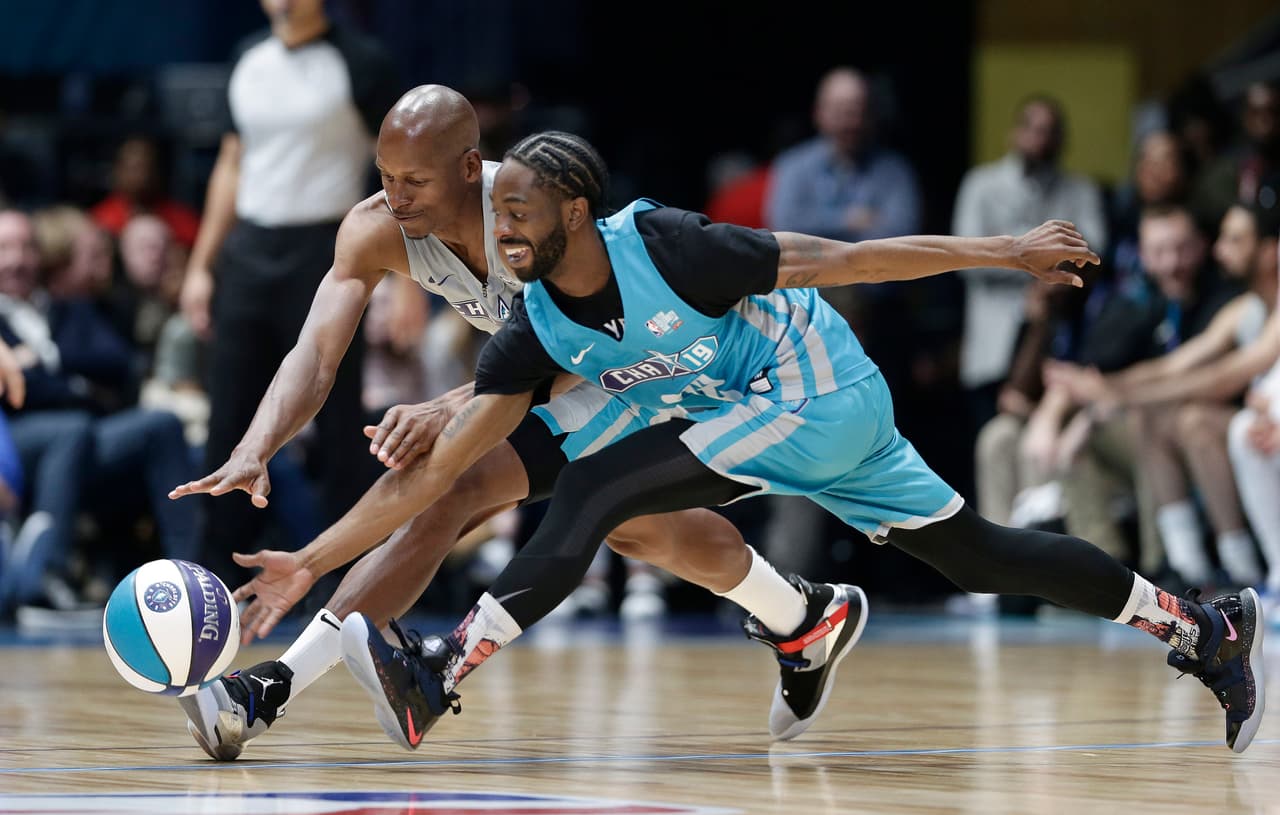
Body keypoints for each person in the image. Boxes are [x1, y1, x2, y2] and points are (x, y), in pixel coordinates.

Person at [248, 131, 1253, 754]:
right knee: (982, 556)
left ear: (574, 213)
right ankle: (1201, 627)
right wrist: (310, 557)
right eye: (495, 215)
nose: (501, 233)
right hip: (743, 404)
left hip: (814, 387)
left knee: (594, 487)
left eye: (519, 213)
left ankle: (437, 674)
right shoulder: (534, 325)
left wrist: (1005, 251)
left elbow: (854, 260)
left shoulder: (675, 245)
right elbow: (440, 469)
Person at [168, 87, 831, 760]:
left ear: (468, 168)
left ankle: (267, 690)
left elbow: (580, 339)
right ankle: (801, 615)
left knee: (457, 484)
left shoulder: (531, 213)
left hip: (635, 363)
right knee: (640, 531)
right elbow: (315, 354)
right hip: (548, 384)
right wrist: (256, 444)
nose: (397, 197)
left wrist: (453, 404)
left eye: (415, 181)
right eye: (387, 176)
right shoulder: (374, 228)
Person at [179, 0, 400, 587]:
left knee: (338, 420)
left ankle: (344, 582)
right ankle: (215, 579)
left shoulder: (362, 61)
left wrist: (404, 282)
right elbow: (231, 162)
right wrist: (201, 265)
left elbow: (400, 169)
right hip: (249, 251)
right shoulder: (248, 57)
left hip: (328, 249)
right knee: (229, 415)